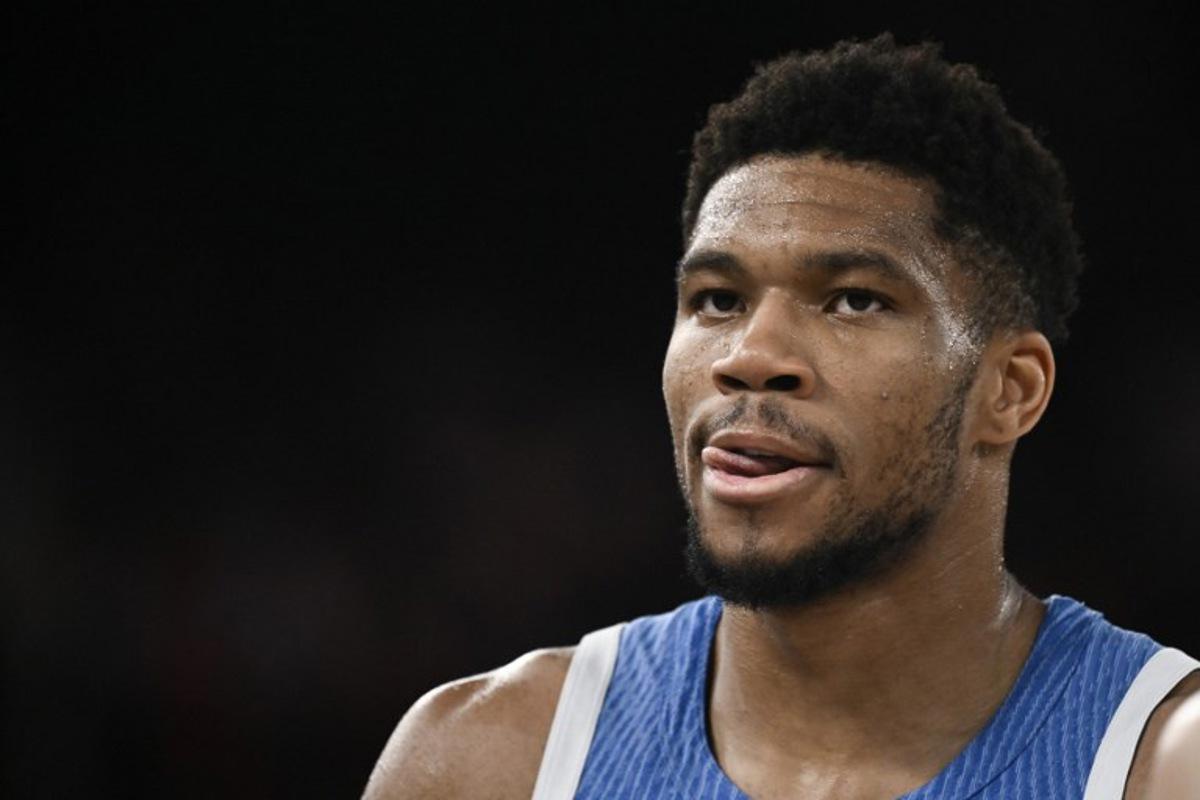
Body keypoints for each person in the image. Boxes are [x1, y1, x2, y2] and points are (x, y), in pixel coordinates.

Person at [363, 34, 1200, 800]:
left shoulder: (1161, 763)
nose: (750, 356)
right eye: (717, 299)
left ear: (1010, 390)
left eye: (853, 300)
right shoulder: (489, 762)